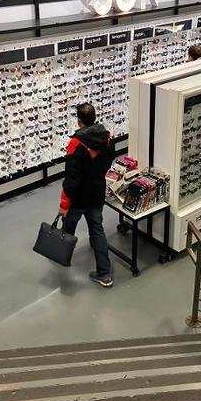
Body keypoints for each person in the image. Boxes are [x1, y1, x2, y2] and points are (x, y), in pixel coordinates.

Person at [59, 103, 114, 287]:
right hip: (97, 193)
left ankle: (63, 256)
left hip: (78, 199)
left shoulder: (76, 144)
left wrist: (64, 204)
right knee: (97, 231)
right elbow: (108, 162)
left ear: (79, 121)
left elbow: (71, 178)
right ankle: (105, 274)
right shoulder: (106, 138)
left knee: (68, 228)